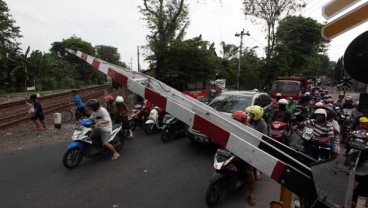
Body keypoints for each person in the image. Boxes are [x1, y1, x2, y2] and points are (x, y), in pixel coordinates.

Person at [231, 111, 256, 206]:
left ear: (243, 121)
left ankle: (251, 194)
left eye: (237, 120)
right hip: (233, 149)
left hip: (246, 152)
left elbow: (253, 145)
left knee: (249, 173)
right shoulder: (231, 126)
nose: (235, 121)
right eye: (234, 119)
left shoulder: (250, 130)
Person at [245, 105, 268, 206]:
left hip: (254, 147)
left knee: (250, 173)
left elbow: (264, 139)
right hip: (243, 143)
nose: (249, 115)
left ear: (256, 115)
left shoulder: (262, 124)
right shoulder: (248, 120)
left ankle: (251, 195)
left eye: (251, 114)